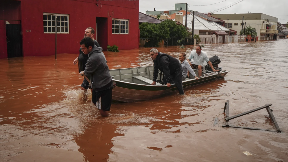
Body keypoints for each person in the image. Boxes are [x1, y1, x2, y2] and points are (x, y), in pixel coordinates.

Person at [79, 37, 113, 117]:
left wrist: (83, 72)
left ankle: (108, 122)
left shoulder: (93, 58)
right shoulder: (98, 51)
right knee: (94, 102)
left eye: (83, 49)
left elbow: (87, 72)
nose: (82, 50)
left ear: (90, 47)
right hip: (100, 82)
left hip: (102, 86)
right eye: (81, 49)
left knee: (102, 110)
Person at [73, 27, 101, 91]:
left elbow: (99, 55)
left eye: (87, 32)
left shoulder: (94, 44)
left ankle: (91, 100)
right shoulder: (85, 42)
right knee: (90, 85)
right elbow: (83, 53)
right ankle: (91, 98)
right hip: (86, 69)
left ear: (92, 34)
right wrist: (77, 59)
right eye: (85, 32)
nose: (85, 33)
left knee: (85, 87)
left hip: (91, 69)